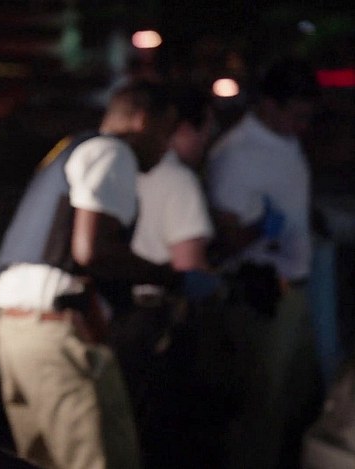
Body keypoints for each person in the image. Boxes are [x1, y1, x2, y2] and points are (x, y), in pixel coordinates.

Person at [0, 80, 220, 469]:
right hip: (56, 333)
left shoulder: (71, 148)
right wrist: (173, 278)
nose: (166, 147)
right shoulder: (113, 151)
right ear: (143, 120)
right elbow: (91, 250)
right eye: (165, 133)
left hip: (15, 330)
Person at [207, 57, 322, 469]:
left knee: (299, 399)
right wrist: (263, 228)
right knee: (260, 406)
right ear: (270, 105)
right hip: (262, 296)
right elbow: (227, 239)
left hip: (297, 287)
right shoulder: (237, 154)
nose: (303, 126)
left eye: (308, 117)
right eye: (297, 115)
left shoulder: (285, 138)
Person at [127, 86, 217, 468]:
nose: (206, 145)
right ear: (183, 129)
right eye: (205, 133)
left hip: (116, 314)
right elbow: (188, 265)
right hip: (158, 323)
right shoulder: (178, 180)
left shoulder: (127, 167)